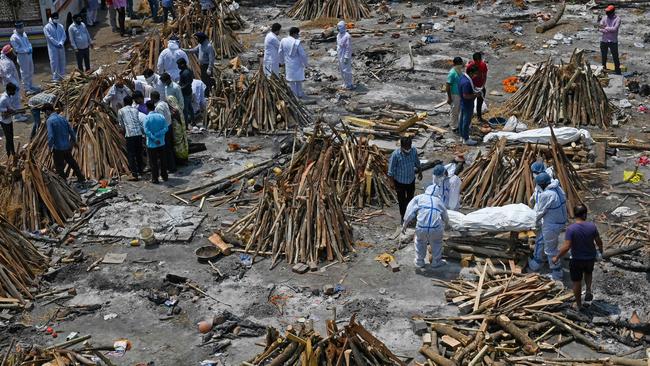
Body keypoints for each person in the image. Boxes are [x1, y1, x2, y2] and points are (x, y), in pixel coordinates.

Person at [553, 205, 604, 309]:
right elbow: (598, 241)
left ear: (574, 215)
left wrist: (557, 257)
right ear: (584, 214)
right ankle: (588, 290)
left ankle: (579, 305)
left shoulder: (571, 229)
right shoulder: (592, 226)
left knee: (576, 282)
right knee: (588, 272)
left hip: (577, 259)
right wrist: (601, 250)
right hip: (590, 257)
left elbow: (567, 246)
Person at [528, 172, 567, 280]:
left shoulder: (547, 195)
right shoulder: (558, 189)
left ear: (542, 185)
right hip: (560, 221)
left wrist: (533, 222)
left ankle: (557, 273)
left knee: (551, 250)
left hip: (551, 224)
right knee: (541, 240)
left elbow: (540, 211)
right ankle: (538, 262)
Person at [402, 192, 449, 269]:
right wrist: (447, 224)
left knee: (420, 242)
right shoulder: (438, 200)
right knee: (437, 242)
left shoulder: (419, 198)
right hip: (435, 228)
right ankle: (436, 262)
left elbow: (410, 211)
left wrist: (405, 224)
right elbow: (445, 215)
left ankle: (419, 262)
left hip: (421, 227)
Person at [43, 103, 85, 182]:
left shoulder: (49, 121)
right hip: (66, 146)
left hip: (58, 148)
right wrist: (74, 141)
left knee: (59, 166)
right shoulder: (62, 118)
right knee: (72, 162)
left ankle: (64, 182)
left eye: (45, 112)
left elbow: (51, 136)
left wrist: (49, 147)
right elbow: (71, 130)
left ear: (47, 111)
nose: (45, 115)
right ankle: (81, 177)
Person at [388, 136, 422, 225]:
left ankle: (409, 215)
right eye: (406, 147)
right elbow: (391, 170)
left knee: (410, 200)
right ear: (402, 146)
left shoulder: (413, 151)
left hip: (411, 180)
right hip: (399, 182)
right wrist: (391, 182)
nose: (408, 149)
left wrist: (420, 172)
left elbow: (417, 162)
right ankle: (403, 217)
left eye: (409, 146)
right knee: (402, 201)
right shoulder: (395, 155)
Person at [118, 95, 145, 180]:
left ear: (124, 102)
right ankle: (141, 170)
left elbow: (121, 125)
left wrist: (122, 131)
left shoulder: (121, 111)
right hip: (139, 133)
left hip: (130, 135)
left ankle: (134, 174)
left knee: (131, 154)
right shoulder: (135, 110)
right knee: (138, 153)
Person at [143, 100, 169, 184]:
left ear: (147, 108)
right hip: (161, 142)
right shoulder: (161, 117)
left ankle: (155, 178)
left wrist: (154, 138)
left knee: (153, 162)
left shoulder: (146, 118)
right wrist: (158, 136)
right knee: (163, 160)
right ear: (154, 107)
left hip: (151, 144)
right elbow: (166, 128)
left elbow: (146, 131)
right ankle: (164, 176)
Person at [279, 27, 308, 98]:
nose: (298, 35)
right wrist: (305, 63)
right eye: (297, 34)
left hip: (288, 63)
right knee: (298, 80)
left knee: (291, 81)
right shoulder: (296, 42)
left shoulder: (283, 40)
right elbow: (302, 54)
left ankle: (294, 95)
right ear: (294, 34)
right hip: (297, 63)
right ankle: (300, 94)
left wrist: (281, 61)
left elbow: (280, 52)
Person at [10, 21, 39, 93]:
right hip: (22, 57)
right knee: (25, 72)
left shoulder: (24, 33)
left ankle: (31, 85)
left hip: (29, 55)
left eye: (22, 27)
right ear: (16, 28)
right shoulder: (14, 37)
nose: (22, 29)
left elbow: (28, 43)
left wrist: (30, 47)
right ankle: (26, 88)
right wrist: (26, 50)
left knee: (30, 70)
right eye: (20, 27)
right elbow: (17, 49)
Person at [150, 91, 174, 172]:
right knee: (169, 147)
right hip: (169, 125)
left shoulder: (158, 107)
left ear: (153, 98)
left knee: (166, 149)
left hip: (165, 128)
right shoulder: (164, 103)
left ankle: (170, 167)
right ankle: (172, 166)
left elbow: (161, 120)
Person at [458, 64, 480, 146]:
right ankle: (466, 139)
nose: (476, 75)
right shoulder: (467, 82)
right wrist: (476, 95)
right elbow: (466, 95)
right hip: (467, 103)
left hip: (463, 103)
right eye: (475, 73)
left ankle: (462, 136)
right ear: (471, 73)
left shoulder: (462, 78)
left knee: (461, 120)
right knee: (466, 121)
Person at [43, 13, 66, 81]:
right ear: (52, 18)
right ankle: (56, 78)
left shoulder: (60, 26)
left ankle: (62, 76)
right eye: (55, 18)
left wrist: (61, 43)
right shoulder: (47, 27)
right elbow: (49, 38)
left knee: (62, 61)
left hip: (61, 46)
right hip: (53, 48)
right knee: (54, 62)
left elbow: (64, 35)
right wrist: (56, 44)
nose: (56, 19)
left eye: (57, 18)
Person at [599, 5, 621, 75]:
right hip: (604, 40)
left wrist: (605, 28)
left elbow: (615, 29)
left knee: (615, 57)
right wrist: (608, 29)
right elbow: (600, 28)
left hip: (613, 41)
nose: (607, 13)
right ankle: (603, 69)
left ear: (612, 12)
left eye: (608, 12)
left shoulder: (617, 19)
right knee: (603, 56)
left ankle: (617, 71)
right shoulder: (604, 18)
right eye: (606, 11)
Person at [466, 52, 488, 122]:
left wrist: (483, 85)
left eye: (479, 60)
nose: (478, 62)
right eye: (476, 61)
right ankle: (469, 116)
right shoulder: (470, 66)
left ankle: (479, 117)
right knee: (470, 102)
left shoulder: (483, 65)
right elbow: (467, 77)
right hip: (472, 87)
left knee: (480, 102)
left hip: (480, 86)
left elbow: (485, 75)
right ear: (474, 60)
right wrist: (472, 87)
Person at [0, 83, 20, 157]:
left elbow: (9, 106)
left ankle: (13, 152)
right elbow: (0, 108)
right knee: (9, 139)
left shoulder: (9, 96)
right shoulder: (3, 98)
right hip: (4, 121)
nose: (14, 92)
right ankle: (9, 154)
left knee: (11, 137)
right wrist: (7, 109)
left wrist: (12, 110)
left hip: (9, 119)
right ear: (9, 90)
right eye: (13, 91)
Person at [167, 96, 189, 163]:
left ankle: (180, 158)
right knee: (181, 142)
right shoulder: (178, 107)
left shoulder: (174, 110)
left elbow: (173, 118)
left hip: (177, 129)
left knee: (178, 143)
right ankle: (183, 157)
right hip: (180, 128)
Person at [446, 57, 463, 132]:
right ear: (455, 64)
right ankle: (453, 126)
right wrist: (449, 98)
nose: (460, 65)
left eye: (461, 63)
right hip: (454, 94)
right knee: (454, 111)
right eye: (459, 64)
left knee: (459, 110)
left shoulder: (459, 71)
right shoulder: (452, 73)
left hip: (460, 94)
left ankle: (457, 124)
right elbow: (448, 85)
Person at [336, 21, 354, 90]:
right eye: (338, 26)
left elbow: (348, 47)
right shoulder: (338, 35)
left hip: (345, 55)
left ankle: (349, 84)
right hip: (340, 54)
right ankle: (345, 83)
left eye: (340, 26)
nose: (338, 28)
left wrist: (346, 57)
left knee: (346, 70)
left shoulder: (347, 36)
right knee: (341, 70)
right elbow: (338, 45)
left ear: (343, 27)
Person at [176, 58, 194, 125]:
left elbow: (188, 83)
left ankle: (186, 125)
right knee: (190, 107)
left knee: (185, 110)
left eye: (178, 65)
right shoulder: (186, 71)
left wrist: (179, 88)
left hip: (185, 93)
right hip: (188, 91)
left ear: (182, 64)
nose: (178, 67)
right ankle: (193, 121)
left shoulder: (185, 73)